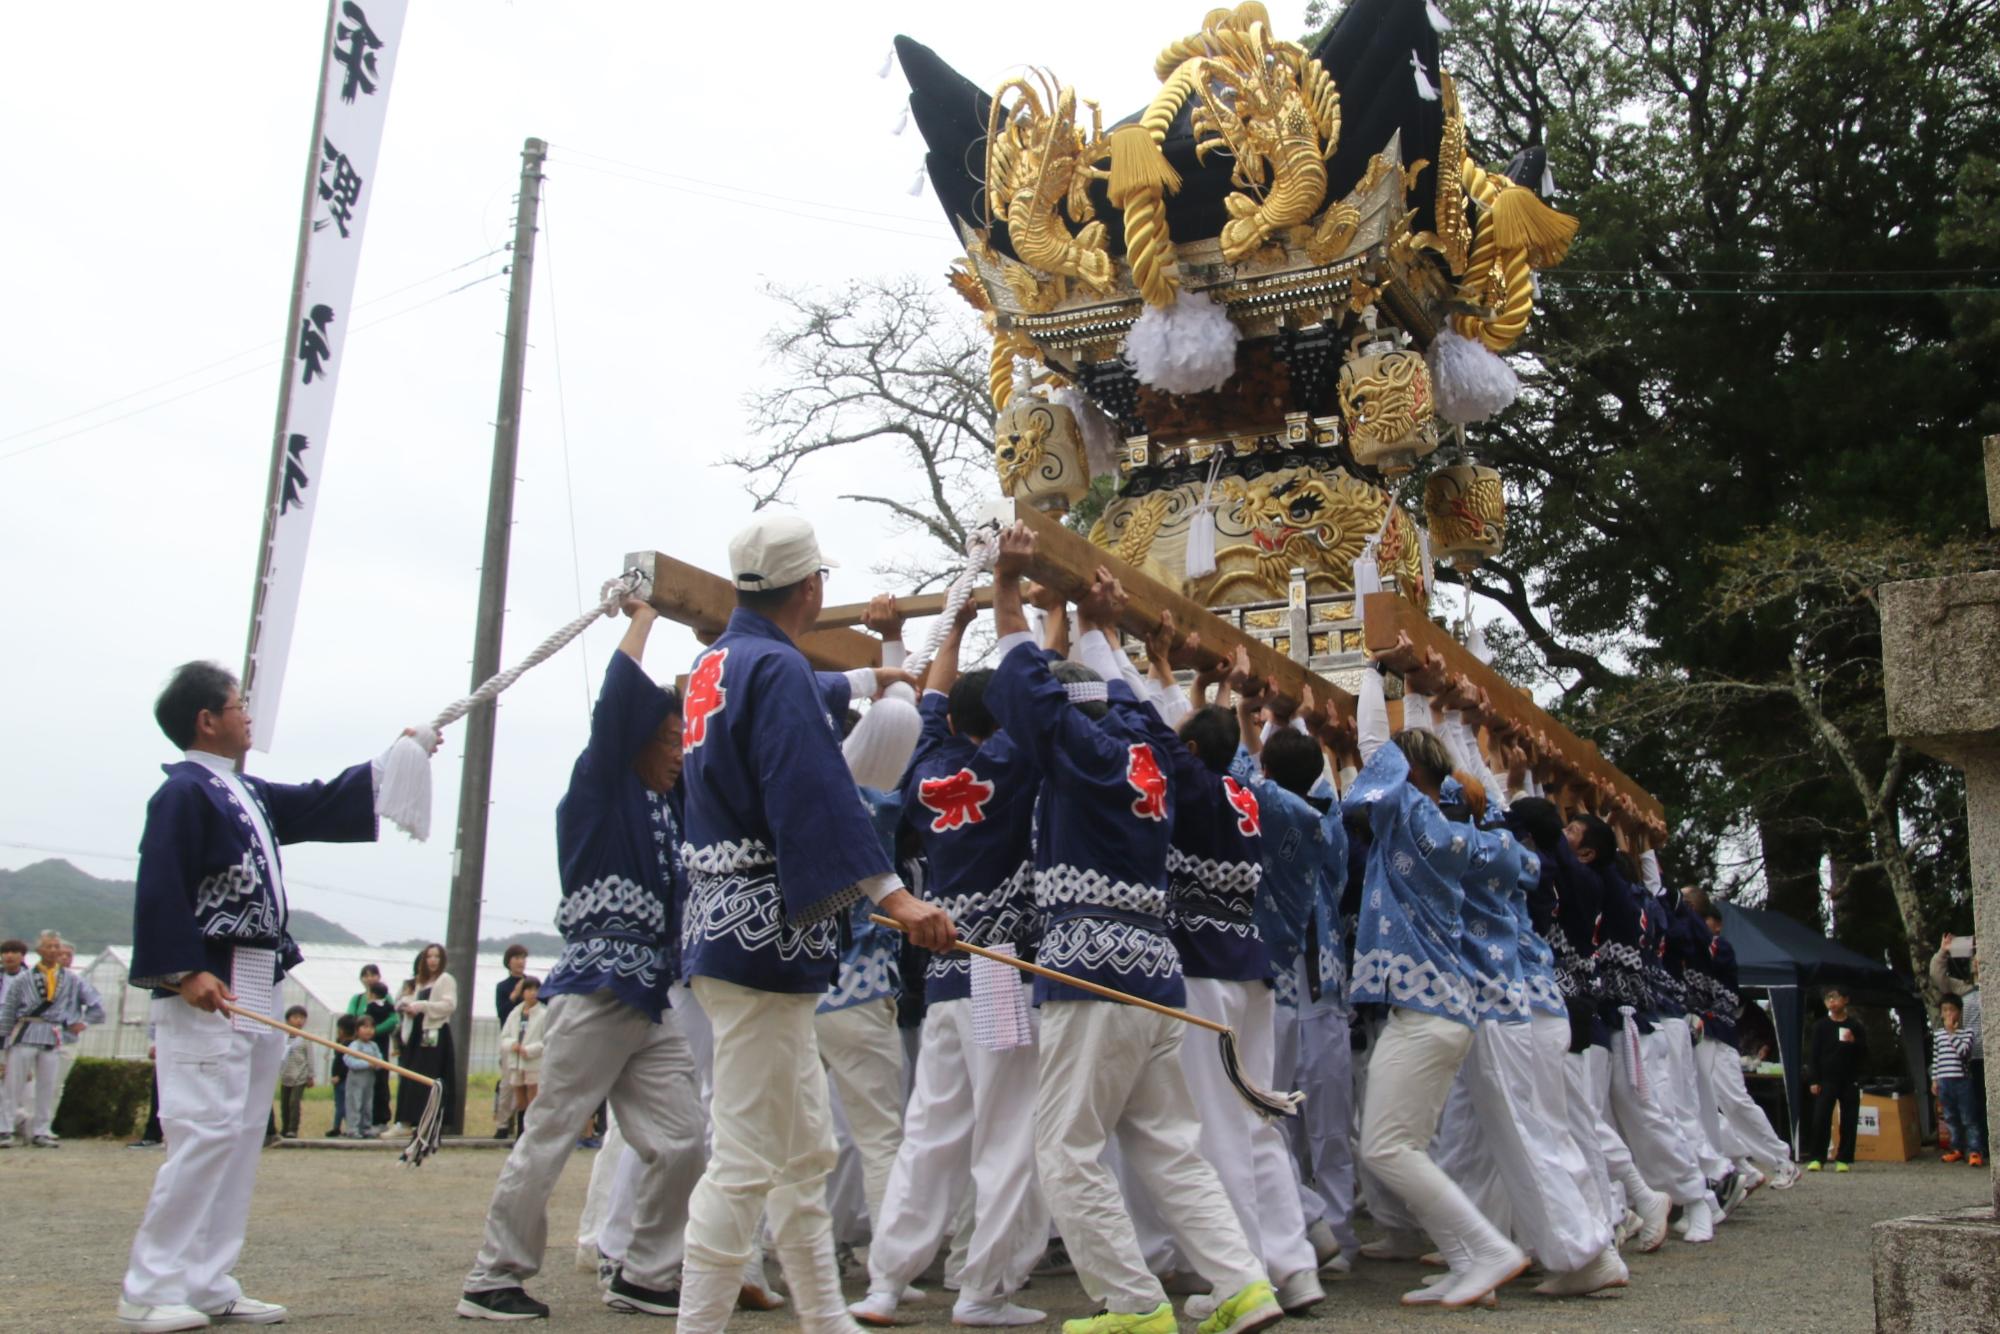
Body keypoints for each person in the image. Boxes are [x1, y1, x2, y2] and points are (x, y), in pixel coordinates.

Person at [984, 525, 1280, 1334]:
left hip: (1095, 975)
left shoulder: (1085, 752)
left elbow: (1022, 689)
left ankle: (1132, 1304)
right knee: (1167, 1144)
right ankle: (1242, 1285)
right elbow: (1125, 700)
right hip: (1153, 976)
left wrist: (1009, 589)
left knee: (1067, 1147)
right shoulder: (1151, 753)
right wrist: (1096, 624)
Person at [672, 512, 952, 1334]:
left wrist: (870, 681)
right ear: (812, 587)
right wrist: (892, 896)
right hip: (761, 943)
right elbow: (811, 790)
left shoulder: (713, 664)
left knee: (803, 1154)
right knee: (748, 1158)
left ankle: (827, 1318)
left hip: (728, 930)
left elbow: (793, 696)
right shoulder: (775, 669)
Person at [118, 659, 423, 1333]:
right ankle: (152, 1284)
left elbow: (315, 802)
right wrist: (182, 969)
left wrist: (397, 759)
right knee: (201, 1133)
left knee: (238, 1135)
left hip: (258, 973)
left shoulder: (242, 792)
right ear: (207, 720)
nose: (247, 715)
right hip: (210, 979)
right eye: (237, 704)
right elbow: (161, 881)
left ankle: (207, 1277)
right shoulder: (184, 794)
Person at [460, 593, 710, 1322]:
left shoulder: (670, 802)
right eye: (668, 739)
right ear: (638, 738)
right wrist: (644, 615)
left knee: (684, 1137)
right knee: (552, 1130)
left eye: (682, 740)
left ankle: (646, 1271)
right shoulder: (601, 784)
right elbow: (616, 706)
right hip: (597, 988)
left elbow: (714, 718)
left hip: (651, 999)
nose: (678, 753)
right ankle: (492, 1275)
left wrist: (716, 642)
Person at [853, 593, 1049, 1329]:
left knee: (932, 1130)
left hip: (942, 979)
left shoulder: (929, 763)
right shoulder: (1009, 762)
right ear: (998, 723)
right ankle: (982, 1291)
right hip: (998, 970)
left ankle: (885, 1282)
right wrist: (1045, 619)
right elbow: (1037, 700)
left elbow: (932, 697)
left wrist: (956, 629)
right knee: (1003, 1135)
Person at [1344, 662, 1525, 1309]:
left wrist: (1373, 674)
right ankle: (1466, 1259)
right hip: (1441, 1006)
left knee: (1387, 1147)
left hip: (1425, 1010)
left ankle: (1490, 1251)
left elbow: (1366, 772)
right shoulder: (1451, 828)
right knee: (1406, 1145)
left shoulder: (1406, 816)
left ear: (1407, 774)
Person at [1, 930, 105, 1147]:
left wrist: (82, 1023)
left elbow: (96, 1005)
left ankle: (41, 1129)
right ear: (39, 950)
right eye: (49, 946)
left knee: (48, 1086)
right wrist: (3, 1043)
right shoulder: (23, 979)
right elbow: (9, 1010)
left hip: (53, 1034)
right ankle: (5, 1128)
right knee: (13, 1084)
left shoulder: (73, 979)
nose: (54, 950)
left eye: (56, 946)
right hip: (24, 1032)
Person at [1803, 985, 1868, 1172]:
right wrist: (1813, 1080)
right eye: (1828, 999)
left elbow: (1864, 1052)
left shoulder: (1855, 1026)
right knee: (1821, 1118)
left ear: (1845, 1000)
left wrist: (1854, 1042)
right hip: (1826, 1079)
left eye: (1835, 997)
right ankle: (1817, 1157)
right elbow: (1813, 1055)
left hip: (1849, 1079)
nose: (1832, 1002)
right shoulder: (1820, 1026)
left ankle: (1844, 1158)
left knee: (1849, 1119)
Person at [394, 944, 457, 1133]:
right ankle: (406, 1120)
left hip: (435, 1032)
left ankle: (428, 1120)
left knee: (430, 1075)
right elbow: (407, 1000)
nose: (433, 960)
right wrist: (408, 1006)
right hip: (417, 1033)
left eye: (437, 956)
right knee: (410, 1075)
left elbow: (449, 1005)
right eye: (429, 956)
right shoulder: (420, 982)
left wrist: (422, 1006)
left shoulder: (446, 980)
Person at [1930, 934, 1984, 1141]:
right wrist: (1944, 950)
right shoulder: (1963, 988)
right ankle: (1980, 1146)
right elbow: (1937, 975)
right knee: (1976, 1101)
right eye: (1976, 959)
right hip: (1972, 1054)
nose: (1979, 962)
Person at [1931, 995, 1983, 1167]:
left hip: (1962, 1081)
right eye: (1944, 1010)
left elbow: (1964, 1053)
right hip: (1944, 1081)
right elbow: (1936, 1059)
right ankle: (1956, 1149)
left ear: (1959, 1013)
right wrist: (1935, 1080)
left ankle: (1975, 1150)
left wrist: (1952, 1033)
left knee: (1968, 1117)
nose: (1948, 1014)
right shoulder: (1938, 1035)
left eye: (1951, 1010)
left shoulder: (1967, 1033)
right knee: (1950, 1117)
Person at [345, 964, 397, 1130]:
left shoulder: (386, 998)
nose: (370, 978)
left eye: (373, 975)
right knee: (358, 1085)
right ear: (361, 979)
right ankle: (356, 1123)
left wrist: (374, 1032)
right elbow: (350, 1016)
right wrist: (362, 1032)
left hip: (379, 1043)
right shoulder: (358, 998)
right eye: (366, 975)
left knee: (380, 1081)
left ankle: (380, 1120)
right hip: (359, 1043)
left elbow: (393, 1018)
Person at [498, 978, 548, 1126]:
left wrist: (529, 1050)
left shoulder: (544, 1013)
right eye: (529, 989)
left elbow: (547, 1040)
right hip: (516, 1060)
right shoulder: (515, 1013)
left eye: (536, 989)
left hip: (533, 1061)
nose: (533, 993)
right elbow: (505, 1036)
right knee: (520, 1098)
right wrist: (512, 1045)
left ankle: (531, 1129)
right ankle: (520, 1130)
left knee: (533, 1094)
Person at [0, 938, 25, 1143]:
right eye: (5, 952)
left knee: (12, 1082)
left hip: (19, 1033)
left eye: (13, 952)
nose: (9, 956)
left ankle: (8, 1126)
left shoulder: (30, 978)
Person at [276, 1005, 313, 1139]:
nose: (299, 1021)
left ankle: (293, 1129)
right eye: (296, 1017)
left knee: (294, 1103)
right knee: (284, 1103)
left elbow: (310, 1057)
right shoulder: (283, 1037)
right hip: (286, 1075)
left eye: (302, 1018)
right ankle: (284, 1128)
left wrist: (310, 1075)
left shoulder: (305, 1038)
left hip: (300, 1076)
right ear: (288, 1019)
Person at [343, 1015, 382, 1139]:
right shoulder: (355, 1045)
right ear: (357, 1029)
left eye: (371, 1027)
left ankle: (366, 1128)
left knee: (367, 1104)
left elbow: (380, 1061)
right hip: (356, 1080)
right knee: (355, 1103)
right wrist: (367, 1063)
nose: (368, 1030)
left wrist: (377, 1064)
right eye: (365, 1027)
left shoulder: (374, 1046)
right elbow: (349, 1060)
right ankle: (353, 1129)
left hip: (369, 1081)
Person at [329, 1013, 358, 1138]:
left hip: (342, 1080)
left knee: (342, 1104)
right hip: (342, 1080)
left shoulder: (347, 1045)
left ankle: (343, 1127)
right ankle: (340, 1127)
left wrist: (338, 1076)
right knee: (341, 1104)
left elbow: (344, 1064)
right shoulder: (347, 1043)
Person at [496, 944, 540, 1029]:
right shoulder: (502, 986)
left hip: (531, 1031)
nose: (521, 962)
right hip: (510, 1032)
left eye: (523, 958)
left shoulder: (533, 982)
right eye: (517, 958)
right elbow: (502, 1014)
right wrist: (514, 995)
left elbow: (543, 1005)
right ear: (508, 962)